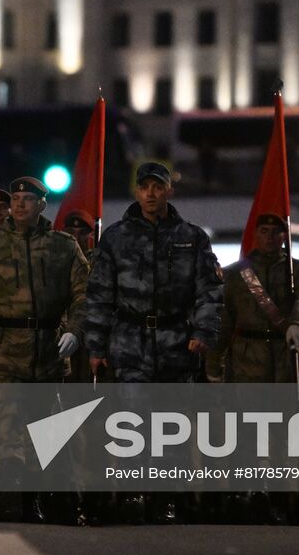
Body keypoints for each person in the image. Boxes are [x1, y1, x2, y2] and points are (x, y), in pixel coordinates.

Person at [82, 162, 223, 524]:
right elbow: (99, 295)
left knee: (171, 425)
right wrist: (95, 347)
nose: (150, 193)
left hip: (177, 341)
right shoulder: (115, 237)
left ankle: (166, 498)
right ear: (136, 191)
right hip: (131, 341)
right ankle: (132, 495)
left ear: (168, 191)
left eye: (157, 187)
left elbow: (209, 290)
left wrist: (203, 333)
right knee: (132, 424)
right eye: (144, 187)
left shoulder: (192, 237)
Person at [0, 176, 88, 522]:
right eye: (16, 198)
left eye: (27, 199)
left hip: (47, 351)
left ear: (42, 204)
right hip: (2, 351)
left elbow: (84, 293)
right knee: (5, 432)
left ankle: (40, 501)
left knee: (46, 434)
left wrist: (75, 330)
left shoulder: (63, 246)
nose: (19, 204)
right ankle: (9, 504)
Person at [214, 214, 299, 384]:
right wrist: (214, 363)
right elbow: (224, 321)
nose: (270, 237)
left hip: (286, 355)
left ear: (285, 236)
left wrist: (298, 324)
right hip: (248, 362)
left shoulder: (298, 269)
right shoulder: (235, 273)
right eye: (264, 231)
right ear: (255, 234)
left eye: (276, 232)